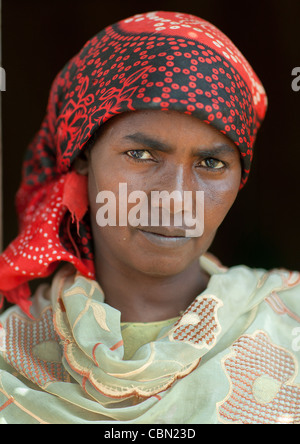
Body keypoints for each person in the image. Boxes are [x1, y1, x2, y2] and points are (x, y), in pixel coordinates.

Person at [0, 10, 299, 424]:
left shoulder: (291, 323)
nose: (177, 199)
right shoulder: (8, 355)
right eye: (141, 155)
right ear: (82, 158)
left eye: (211, 162)